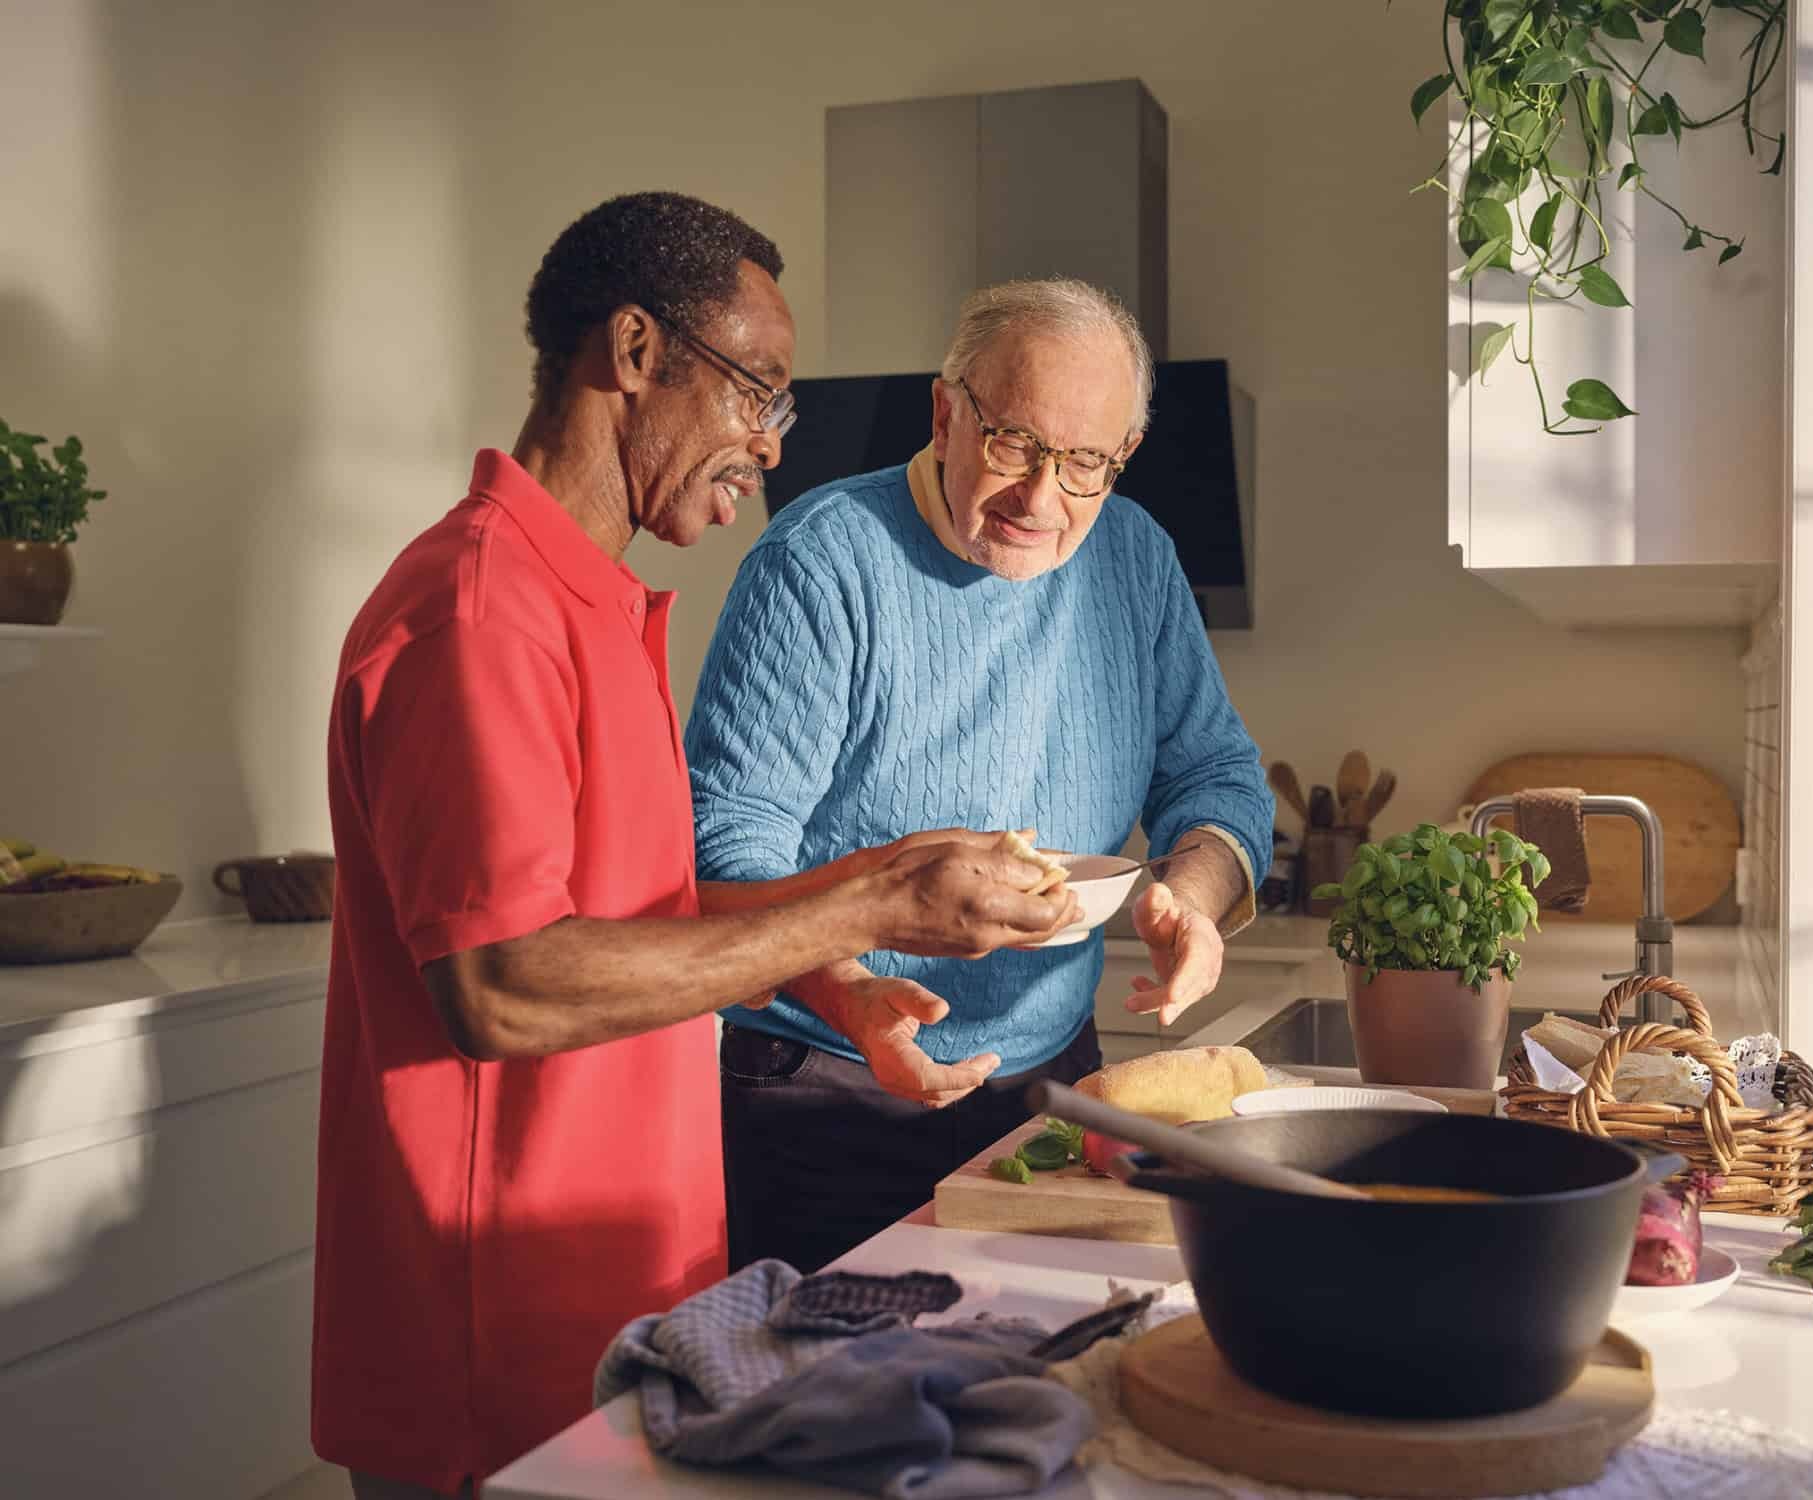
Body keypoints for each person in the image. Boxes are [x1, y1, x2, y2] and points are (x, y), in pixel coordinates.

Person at [313, 194, 1077, 1500]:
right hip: (495, 1350)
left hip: (622, 1304)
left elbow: (639, 911)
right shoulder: (479, 614)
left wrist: (837, 970)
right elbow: (505, 983)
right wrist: (866, 902)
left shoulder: (589, 605)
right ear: (634, 351)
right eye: (757, 393)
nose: (767, 451)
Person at [686, 276, 1276, 1275]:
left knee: (1055, 1382)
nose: (1040, 500)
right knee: (837, 1406)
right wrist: (849, 997)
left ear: (1120, 458)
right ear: (944, 414)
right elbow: (721, 854)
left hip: (1054, 1077)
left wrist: (1195, 896)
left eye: (1084, 462)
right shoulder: (820, 563)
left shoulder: (1133, 559)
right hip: (826, 1090)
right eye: (1012, 445)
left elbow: (1215, 775)